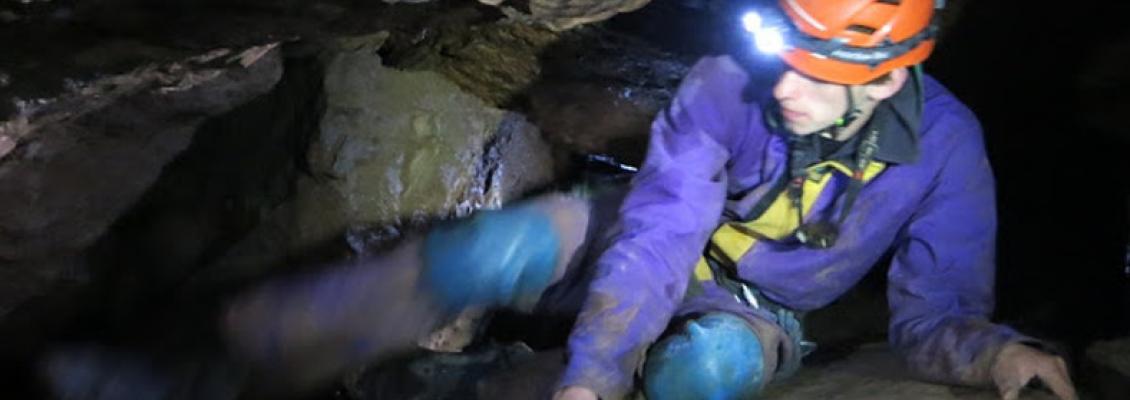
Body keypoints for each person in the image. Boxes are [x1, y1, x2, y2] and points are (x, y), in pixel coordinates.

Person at [550, 0, 1079, 399]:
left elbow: (936, 310)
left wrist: (995, 354)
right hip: (644, 240)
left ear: (887, 79)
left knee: (701, 371)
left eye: (817, 73)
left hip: (753, 310)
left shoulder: (945, 146)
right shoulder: (727, 81)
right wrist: (593, 376)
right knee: (497, 250)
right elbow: (661, 229)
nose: (784, 89)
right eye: (786, 58)